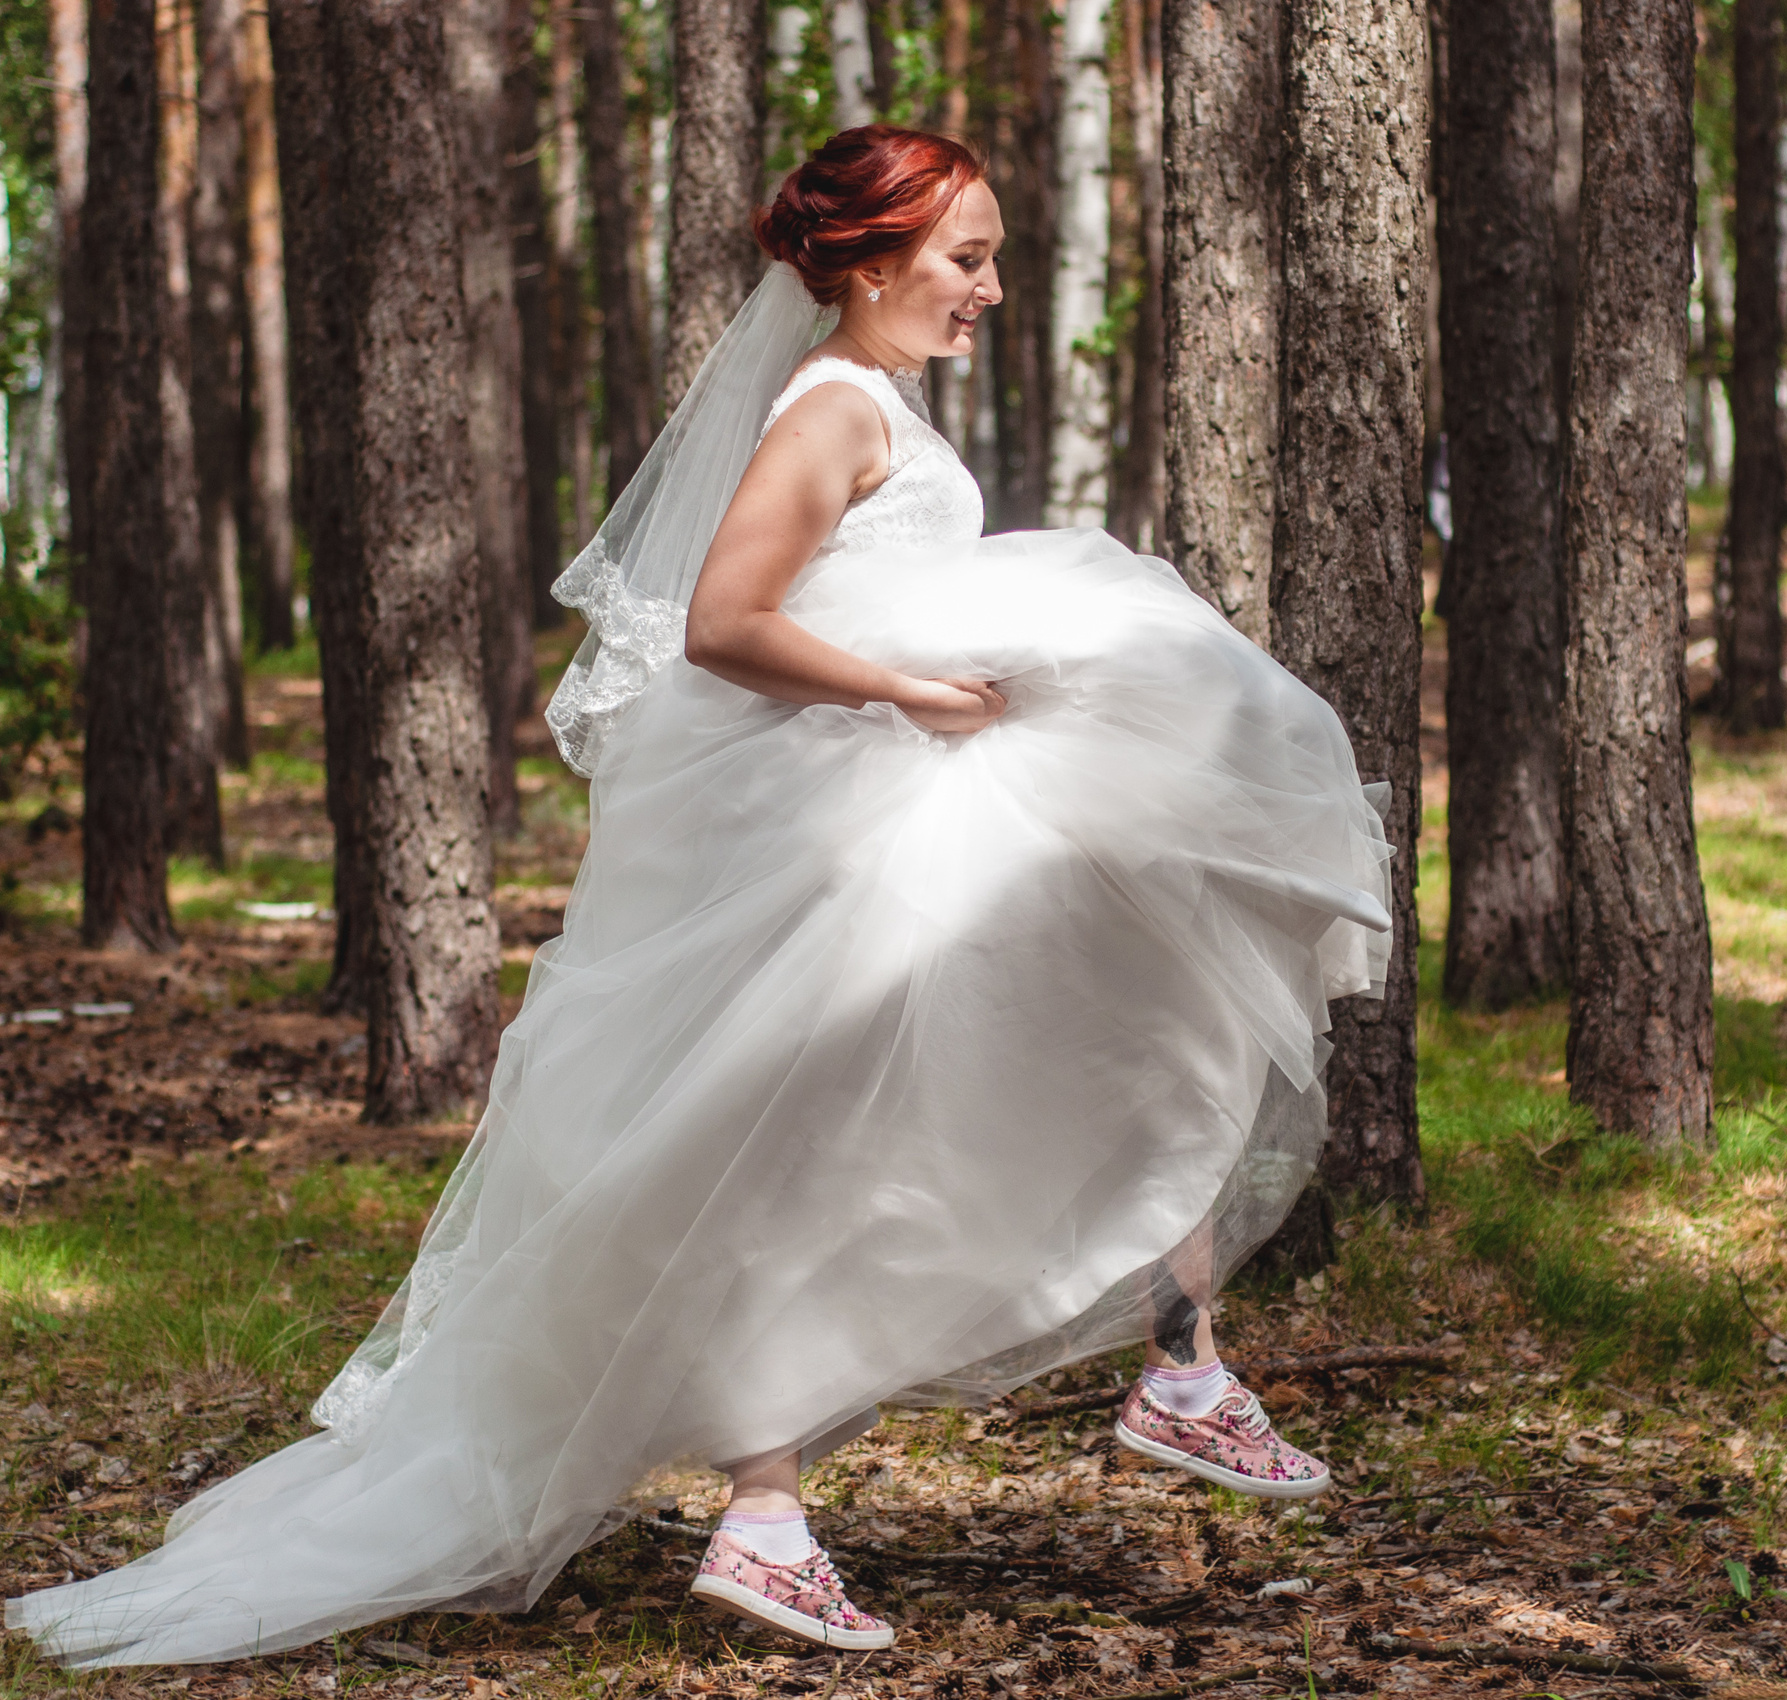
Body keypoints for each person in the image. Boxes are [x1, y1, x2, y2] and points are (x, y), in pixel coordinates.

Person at [7, 125, 1390, 1669]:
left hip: (896, 805)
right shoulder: (834, 406)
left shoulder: (876, 401)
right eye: (967, 257)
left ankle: (1167, 1373)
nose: (990, 287)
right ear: (872, 264)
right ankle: (795, 1503)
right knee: (789, 1146)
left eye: (992, 257)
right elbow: (726, 622)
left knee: (1118, 1019)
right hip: (849, 821)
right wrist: (909, 693)